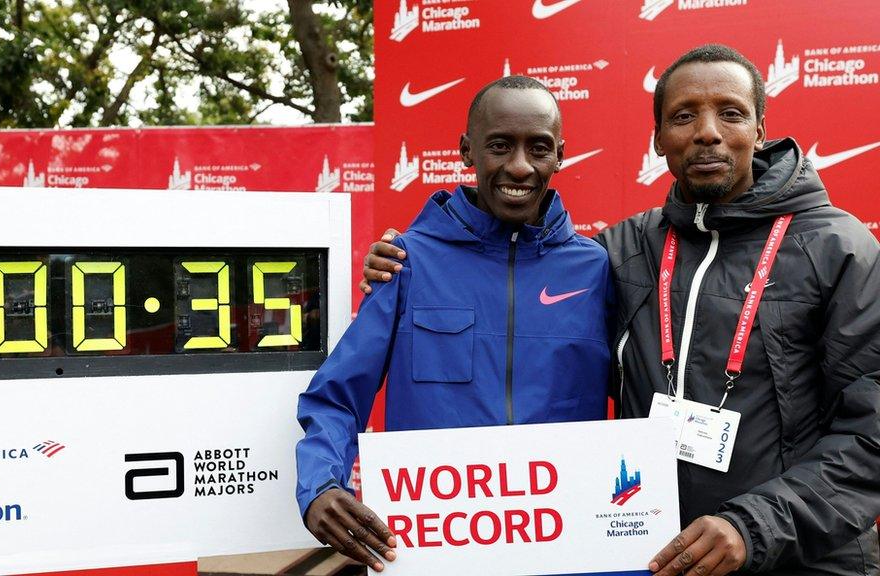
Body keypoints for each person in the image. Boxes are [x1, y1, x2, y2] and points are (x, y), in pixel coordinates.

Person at [363, 44, 880, 575]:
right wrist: (407, 259)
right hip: (657, 552)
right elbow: (515, 276)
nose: (706, 131)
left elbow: (871, 434)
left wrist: (755, 527)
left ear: (760, 129)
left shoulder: (838, 249)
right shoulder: (625, 250)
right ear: (658, 139)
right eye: (684, 116)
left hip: (807, 559)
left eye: (730, 112)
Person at [296, 75, 614, 572]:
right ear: (467, 150)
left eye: (539, 148)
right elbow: (336, 395)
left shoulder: (596, 269)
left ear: (560, 155)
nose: (519, 166)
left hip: (565, 550)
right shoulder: (406, 263)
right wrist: (320, 485)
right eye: (500, 146)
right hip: (438, 553)